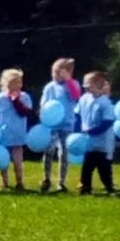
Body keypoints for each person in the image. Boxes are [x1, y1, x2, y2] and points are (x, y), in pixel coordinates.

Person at [0, 69, 34, 191]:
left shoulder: (24, 97)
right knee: (3, 161)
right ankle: (4, 183)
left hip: (18, 136)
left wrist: (16, 101)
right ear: (7, 84)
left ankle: (20, 182)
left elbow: (26, 112)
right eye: (15, 82)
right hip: (3, 135)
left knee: (18, 162)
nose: (18, 85)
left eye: (20, 82)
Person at [39, 58, 80, 194]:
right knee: (48, 150)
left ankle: (61, 182)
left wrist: (69, 80)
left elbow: (76, 96)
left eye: (58, 72)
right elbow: (44, 103)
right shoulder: (49, 87)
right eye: (54, 72)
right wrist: (43, 114)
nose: (54, 75)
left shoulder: (72, 84)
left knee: (64, 152)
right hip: (51, 125)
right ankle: (46, 178)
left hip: (67, 124)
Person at [74, 72, 118, 195]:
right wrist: (78, 130)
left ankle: (109, 187)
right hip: (88, 141)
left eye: (88, 83)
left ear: (98, 85)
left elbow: (108, 122)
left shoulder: (105, 102)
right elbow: (77, 114)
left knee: (103, 167)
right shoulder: (84, 98)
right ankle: (85, 188)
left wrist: (94, 131)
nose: (85, 86)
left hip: (102, 142)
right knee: (87, 166)